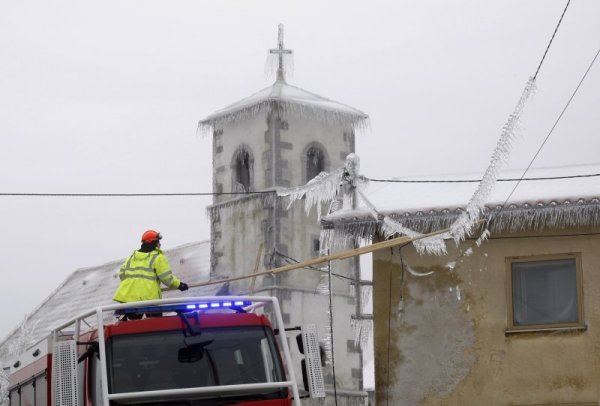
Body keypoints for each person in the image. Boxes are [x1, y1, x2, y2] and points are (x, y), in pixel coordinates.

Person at [113, 230, 189, 305]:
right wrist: (180, 285)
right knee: (156, 316)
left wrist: (136, 286)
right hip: (149, 299)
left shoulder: (131, 258)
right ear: (154, 242)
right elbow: (167, 279)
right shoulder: (158, 257)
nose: (160, 244)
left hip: (127, 298)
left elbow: (122, 275)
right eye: (158, 241)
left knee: (134, 317)